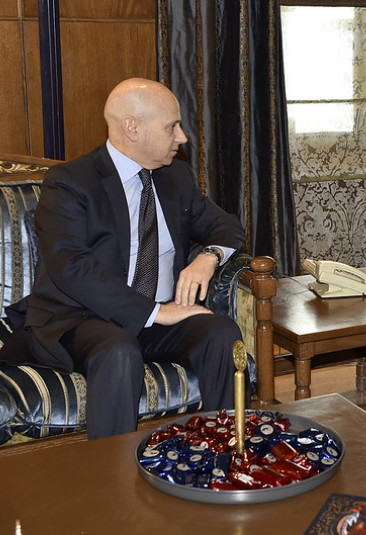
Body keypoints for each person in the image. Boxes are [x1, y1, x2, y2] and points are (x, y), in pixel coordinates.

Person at [0, 78, 247, 439]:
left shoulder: (175, 177)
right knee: (118, 349)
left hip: (159, 317)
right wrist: (155, 312)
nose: (182, 138)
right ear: (133, 128)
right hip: (83, 318)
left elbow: (226, 226)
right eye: (172, 127)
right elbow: (71, 266)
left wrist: (208, 257)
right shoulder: (70, 182)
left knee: (221, 333)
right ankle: (112, 470)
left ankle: (223, 448)